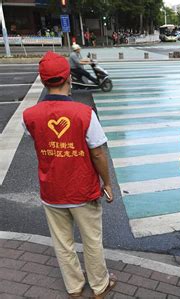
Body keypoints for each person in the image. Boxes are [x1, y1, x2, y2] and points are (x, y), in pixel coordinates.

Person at [22, 51, 116, 298]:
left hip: (51, 191)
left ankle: (74, 287)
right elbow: (98, 154)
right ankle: (99, 285)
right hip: (83, 190)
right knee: (92, 241)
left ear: (43, 81)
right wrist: (107, 182)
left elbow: (38, 140)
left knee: (62, 243)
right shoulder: (84, 114)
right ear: (68, 79)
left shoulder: (29, 116)